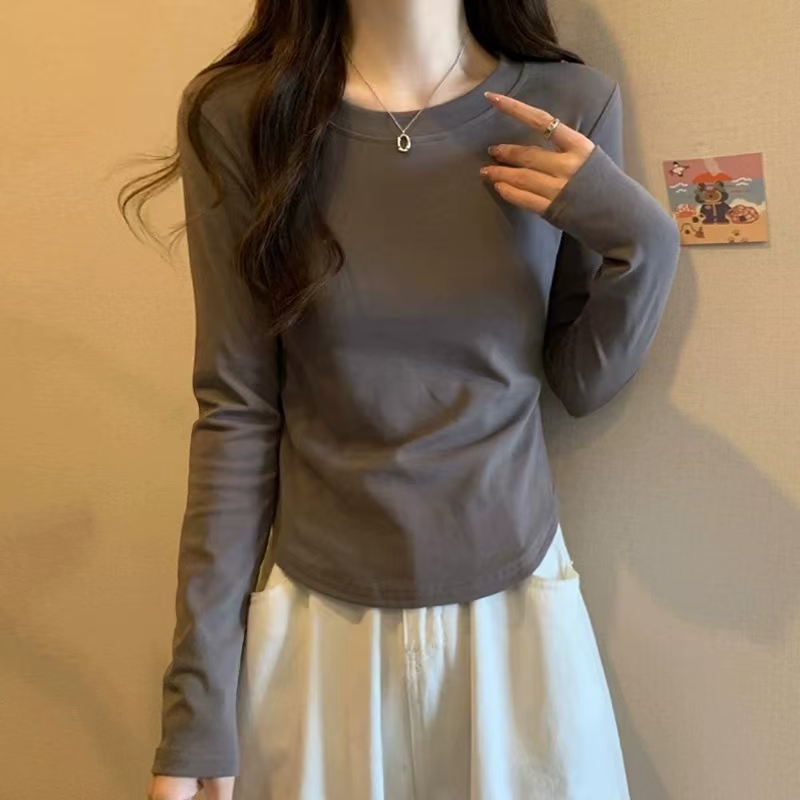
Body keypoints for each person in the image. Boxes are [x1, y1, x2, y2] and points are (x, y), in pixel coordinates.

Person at [129, 1, 680, 798]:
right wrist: (196, 710)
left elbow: (582, 381)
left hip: (516, 613)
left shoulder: (567, 105)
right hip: (319, 623)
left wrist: (647, 241)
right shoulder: (240, 116)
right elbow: (236, 413)